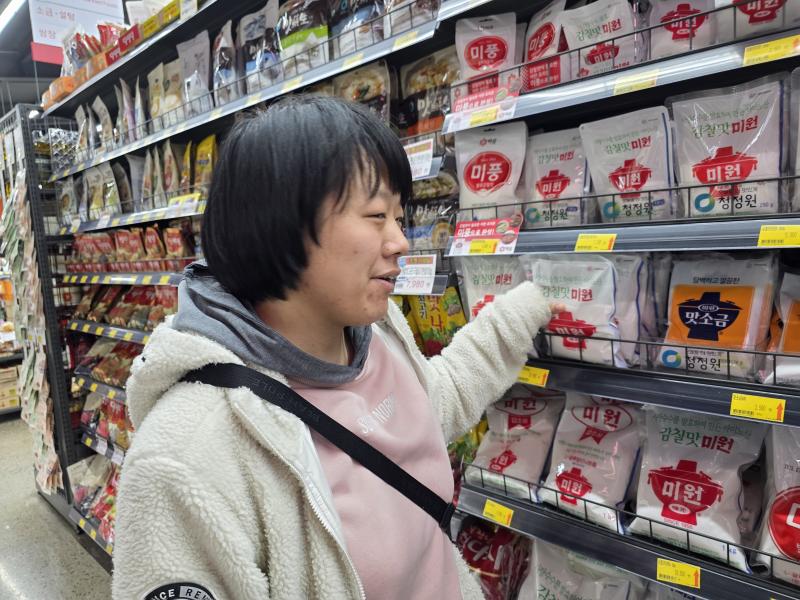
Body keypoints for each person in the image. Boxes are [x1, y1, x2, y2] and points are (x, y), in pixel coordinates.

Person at [113, 96, 555, 600]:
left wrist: (528, 306)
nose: (401, 241)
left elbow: (429, 408)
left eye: (399, 216)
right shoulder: (185, 458)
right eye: (376, 215)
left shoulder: (375, 333)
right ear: (279, 224)